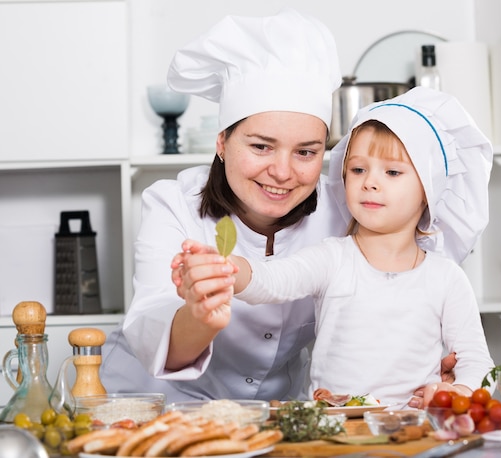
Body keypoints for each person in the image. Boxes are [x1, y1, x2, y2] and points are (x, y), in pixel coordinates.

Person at [100, 9, 472, 406]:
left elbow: (407, 293)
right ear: (222, 142)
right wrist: (201, 314)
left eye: (306, 152)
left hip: (275, 414)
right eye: (261, 146)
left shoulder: (350, 208)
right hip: (152, 405)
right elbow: (156, 337)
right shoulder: (172, 204)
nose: (281, 172)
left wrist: (436, 366)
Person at [178, 87, 495, 407]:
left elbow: (477, 361)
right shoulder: (332, 258)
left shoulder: (446, 278)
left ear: (429, 188)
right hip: (334, 429)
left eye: (392, 172)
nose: (370, 182)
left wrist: (460, 389)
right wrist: (226, 268)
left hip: (414, 431)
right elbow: (271, 280)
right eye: (358, 169)